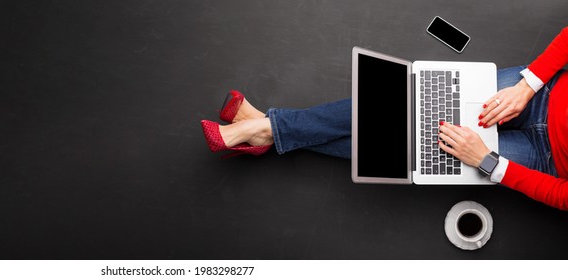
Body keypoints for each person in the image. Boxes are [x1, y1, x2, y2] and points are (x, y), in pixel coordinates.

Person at [200, 27, 568, 211]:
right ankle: (266, 131)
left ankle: (264, 129)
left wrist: (487, 163)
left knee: (417, 153)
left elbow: (561, 195)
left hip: (544, 159)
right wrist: (528, 86)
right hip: (542, 94)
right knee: (407, 103)